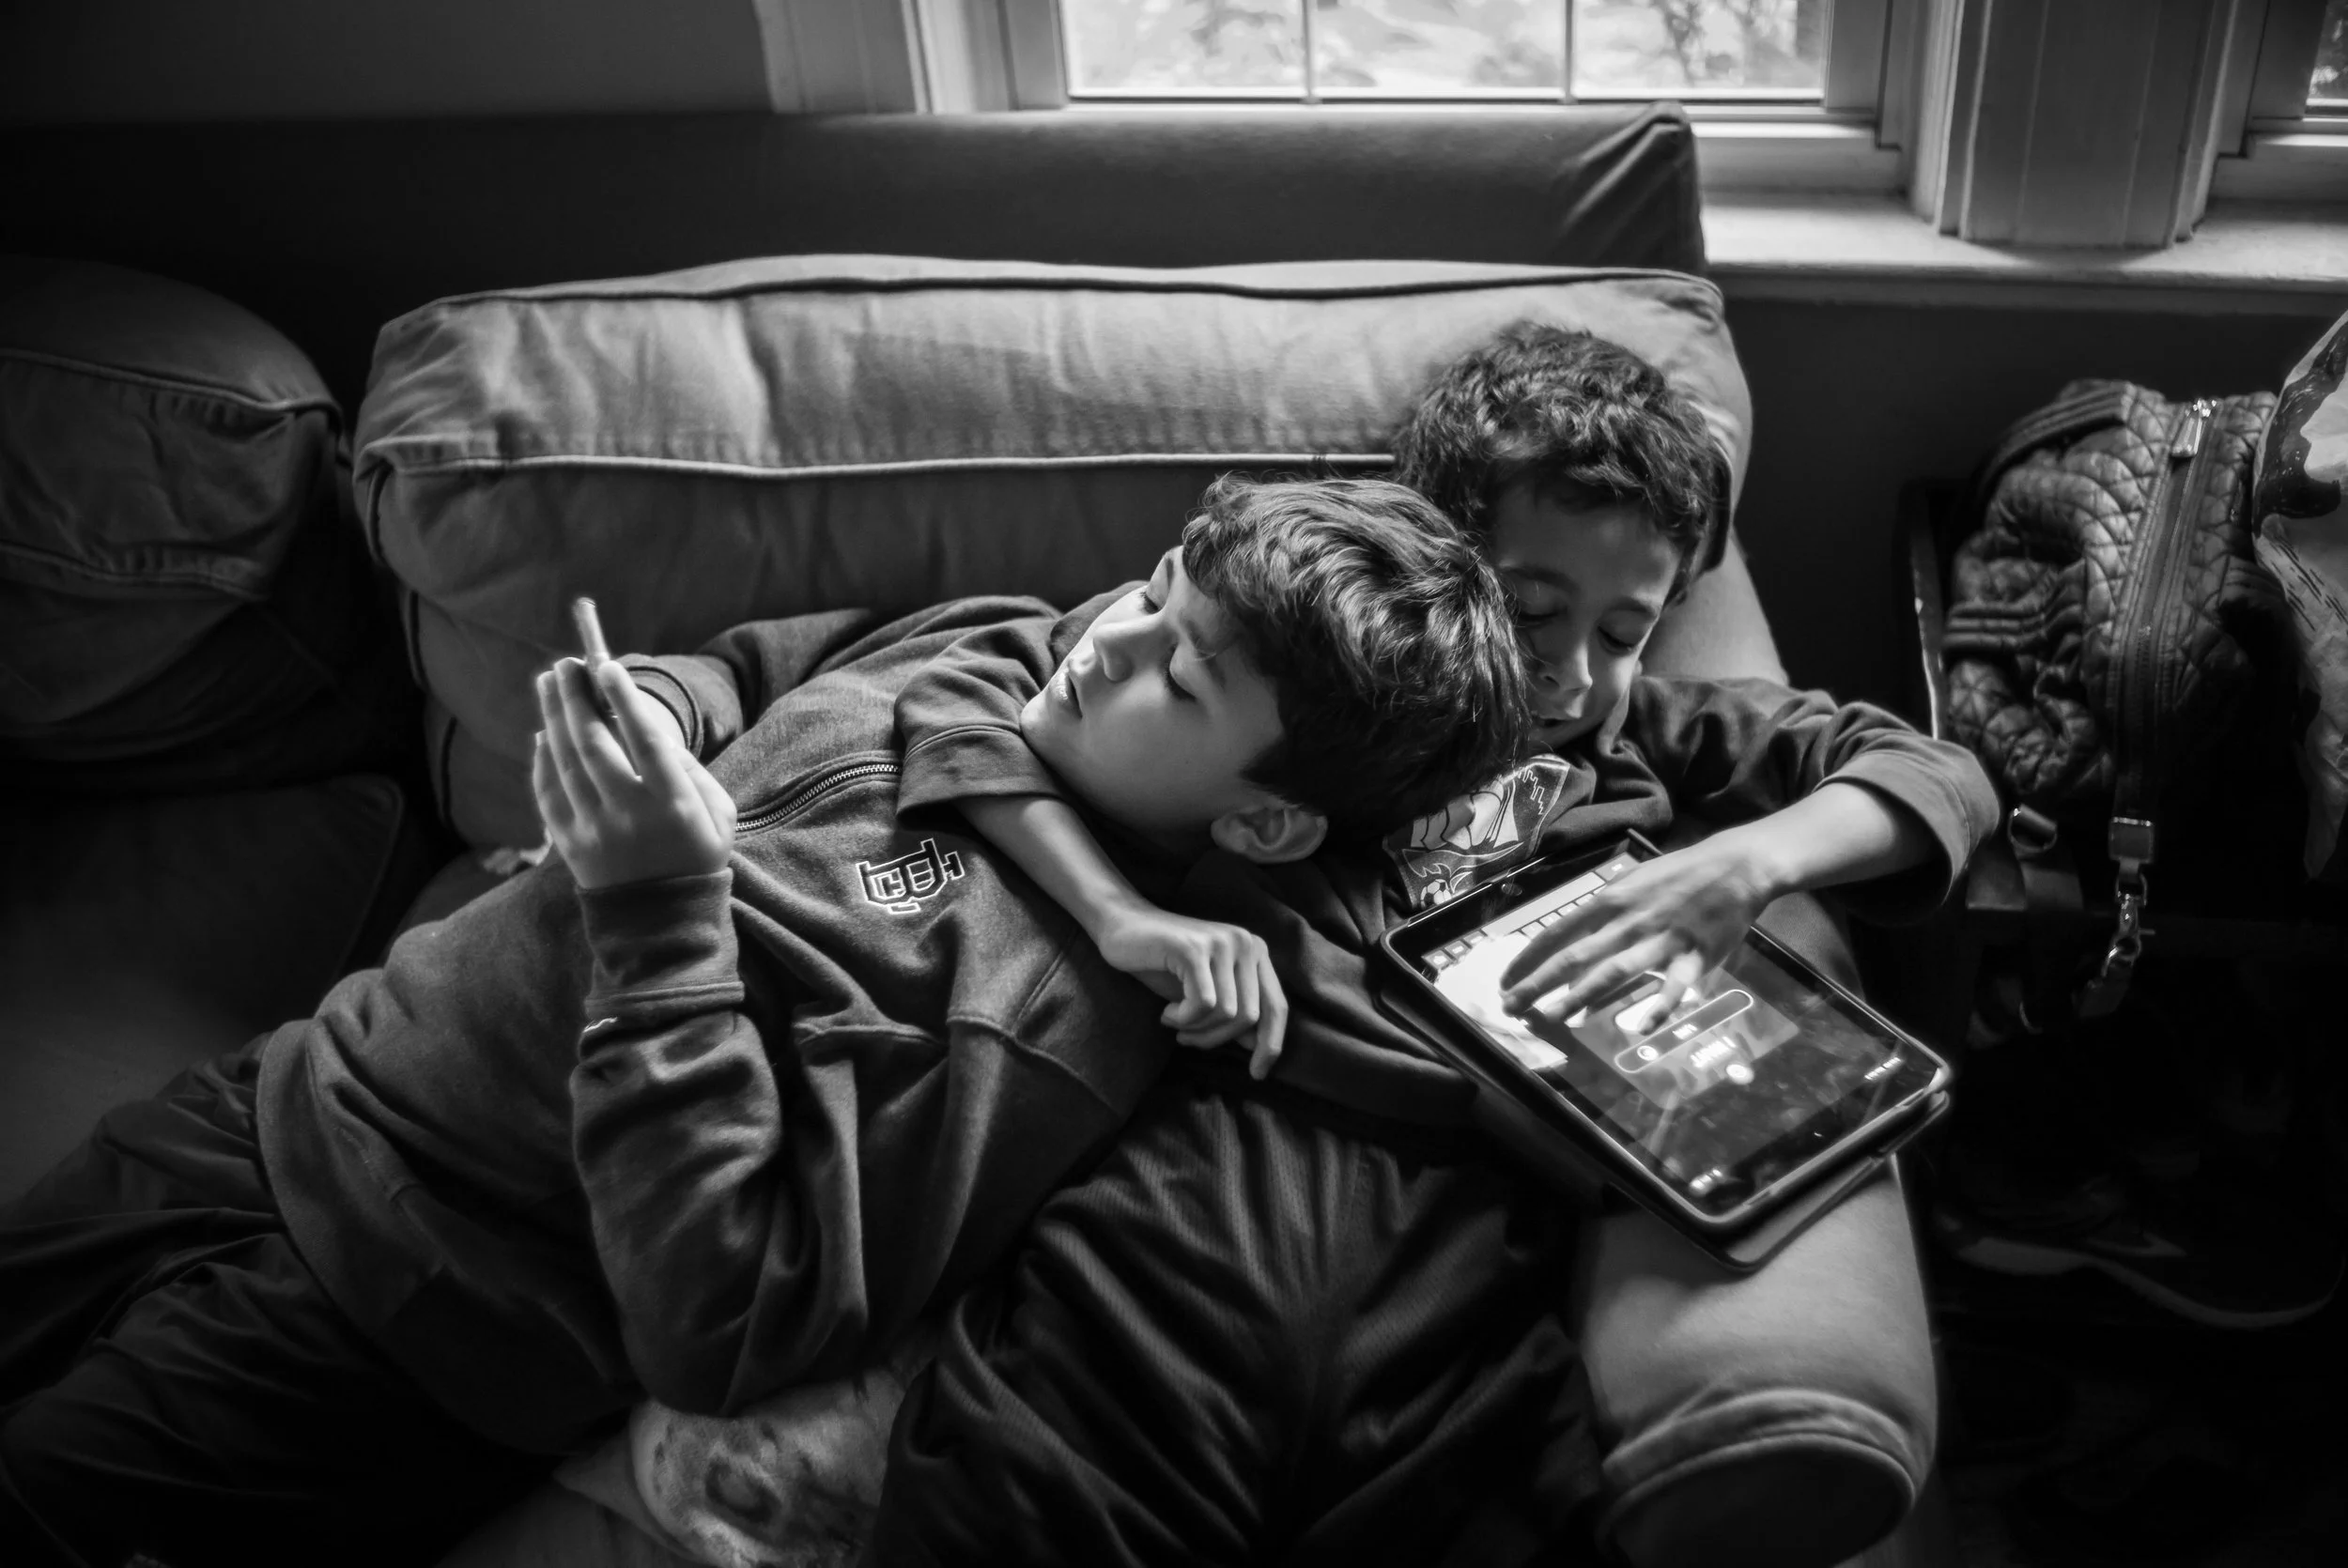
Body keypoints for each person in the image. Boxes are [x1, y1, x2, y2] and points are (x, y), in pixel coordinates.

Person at [0, 477, 1530, 1568]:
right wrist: (658, 710)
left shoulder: (1035, 1022)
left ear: (1262, 825)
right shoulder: (1003, 649)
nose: (1106, 640)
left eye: (1176, 679)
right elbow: (756, 669)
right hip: (280, 1092)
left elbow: (726, 1320)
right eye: (1152, 592)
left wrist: (660, 907)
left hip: (407, 1318)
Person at [860, 323, 2001, 1565]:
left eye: (1624, 633)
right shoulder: (1308, 666)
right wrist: (1115, 910)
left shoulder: (1639, 743)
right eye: (1532, 610)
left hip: (1469, 1238)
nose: (1572, 675)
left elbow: (1937, 773)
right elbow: (972, 690)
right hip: (1206, 1186)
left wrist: (1741, 864)